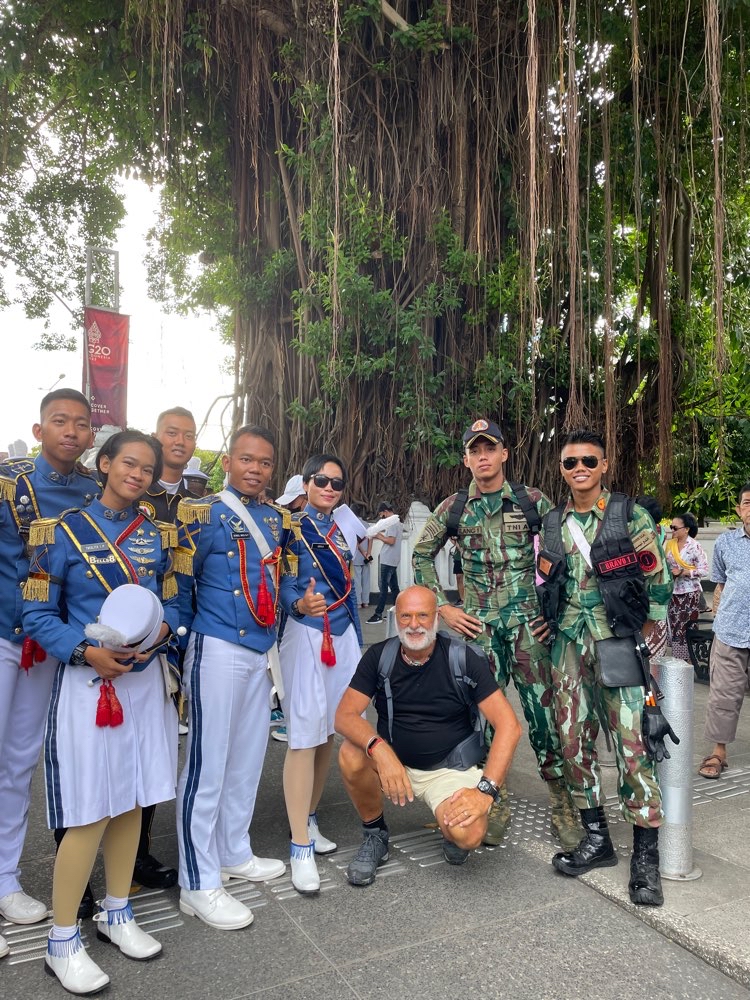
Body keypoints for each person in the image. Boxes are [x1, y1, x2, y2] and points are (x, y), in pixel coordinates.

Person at [22, 430, 179, 994]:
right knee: (89, 810)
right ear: (105, 464)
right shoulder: (57, 532)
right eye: (128, 463)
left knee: (133, 798)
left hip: (141, 681)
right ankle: (62, 939)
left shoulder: (158, 535)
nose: (137, 475)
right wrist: (85, 651)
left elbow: (175, 601)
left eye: (147, 469)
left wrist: (157, 639)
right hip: (87, 684)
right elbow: (35, 611)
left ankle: (116, 911)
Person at [412, 419, 579, 850]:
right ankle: (493, 798)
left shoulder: (532, 501)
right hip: (481, 632)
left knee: (545, 717)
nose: (482, 456)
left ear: (504, 453)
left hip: (529, 630)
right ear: (466, 459)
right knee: (483, 720)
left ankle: (562, 803)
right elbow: (421, 554)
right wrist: (444, 607)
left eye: (490, 448)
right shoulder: (454, 508)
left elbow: (564, 556)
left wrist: (554, 614)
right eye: (475, 450)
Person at [174, 426, 310, 930]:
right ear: (228, 461)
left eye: (265, 462)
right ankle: (197, 880)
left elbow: (284, 579)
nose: (256, 469)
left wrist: (299, 602)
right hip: (216, 646)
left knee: (248, 759)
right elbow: (179, 585)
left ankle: (233, 850)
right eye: (247, 459)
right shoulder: (202, 513)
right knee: (207, 765)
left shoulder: (277, 519)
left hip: (261, 649)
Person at [536, 429, 674, 906]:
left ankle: (645, 858)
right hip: (568, 646)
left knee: (633, 747)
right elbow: (546, 578)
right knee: (573, 742)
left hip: (616, 642)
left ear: (604, 465)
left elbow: (658, 577)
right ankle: (597, 839)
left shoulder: (627, 514)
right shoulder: (552, 522)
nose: (580, 469)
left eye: (589, 461)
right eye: (571, 462)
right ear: (562, 469)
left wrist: (648, 630)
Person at [335, 586, 521, 886]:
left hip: (448, 769)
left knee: (469, 835)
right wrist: (380, 749)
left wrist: (485, 792)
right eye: (406, 616)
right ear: (396, 619)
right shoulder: (380, 656)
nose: (414, 625)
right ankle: (375, 835)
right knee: (351, 752)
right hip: (393, 762)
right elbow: (344, 715)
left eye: (422, 615)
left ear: (436, 618)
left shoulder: (463, 658)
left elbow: (509, 726)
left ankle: (451, 828)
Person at [0, 389, 97, 959]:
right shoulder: (8, 483)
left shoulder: (92, 490)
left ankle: (6, 879)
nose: (70, 431)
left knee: (19, 762)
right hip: (2, 631)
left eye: (81, 424)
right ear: (39, 431)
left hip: (45, 645)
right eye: (59, 421)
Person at [278, 455, 363, 893]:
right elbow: (280, 579)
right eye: (321, 480)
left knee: (330, 730)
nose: (329, 488)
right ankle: (298, 846)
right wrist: (297, 604)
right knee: (303, 736)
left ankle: (309, 819)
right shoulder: (289, 527)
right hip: (308, 633)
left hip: (342, 633)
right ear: (305, 484)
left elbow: (350, 583)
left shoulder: (341, 528)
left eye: (337, 482)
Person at [698, 485, 750, 780]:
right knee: (723, 695)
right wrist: (719, 614)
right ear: (739, 509)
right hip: (731, 630)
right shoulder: (725, 542)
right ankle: (719, 752)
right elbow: (720, 584)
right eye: (747, 503)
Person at [271, 474, 308, 743]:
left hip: (308, 607)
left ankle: (290, 718)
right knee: (283, 656)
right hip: (288, 600)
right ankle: (283, 710)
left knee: (297, 664)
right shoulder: (288, 525)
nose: (290, 508)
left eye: (294, 502)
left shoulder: (312, 527)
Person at [140, 406, 200, 522]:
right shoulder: (134, 492)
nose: (180, 442)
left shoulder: (198, 506)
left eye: (188, 436)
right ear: (155, 438)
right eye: (172, 433)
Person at [665, 512, 709, 662]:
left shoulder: (694, 546)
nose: (672, 530)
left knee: (687, 627)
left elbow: (704, 570)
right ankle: (677, 660)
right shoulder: (670, 545)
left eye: (675, 528)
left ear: (686, 529)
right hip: (673, 592)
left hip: (689, 593)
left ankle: (689, 660)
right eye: (671, 527)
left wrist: (683, 572)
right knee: (675, 626)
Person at [366, 502, 403, 624]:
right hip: (392, 559)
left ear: (386, 512)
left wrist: (378, 535)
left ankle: (378, 614)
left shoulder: (392, 522)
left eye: (382, 514)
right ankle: (399, 611)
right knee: (394, 587)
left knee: (383, 587)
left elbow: (391, 541)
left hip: (387, 559)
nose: (382, 517)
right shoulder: (397, 522)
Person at [351, 503, 373, 608]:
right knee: (366, 580)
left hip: (356, 556)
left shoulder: (352, 525)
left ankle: (358, 603)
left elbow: (355, 541)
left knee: (357, 581)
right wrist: (368, 553)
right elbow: (371, 539)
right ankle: (366, 602)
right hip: (366, 558)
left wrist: (363, 552)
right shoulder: (366, 524)